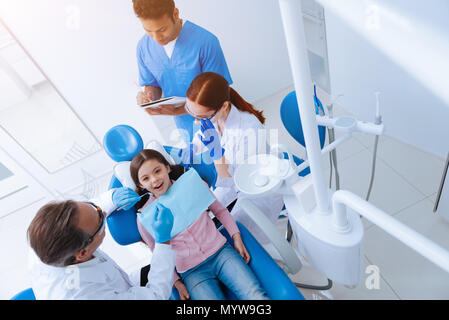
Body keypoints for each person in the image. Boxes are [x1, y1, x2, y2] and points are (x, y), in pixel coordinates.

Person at [114, 148, 268, 300]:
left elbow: (220, 211)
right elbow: (157, 253)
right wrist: (177, 282)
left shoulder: (193, 184)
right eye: (145, 178)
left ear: (167, 168)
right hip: (192, 272)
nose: (154, 180)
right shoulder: (145, 216)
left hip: (222, 253)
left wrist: (236, 237)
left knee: (256, 296)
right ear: (140, 185)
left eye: (157, 171)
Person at [184, 71, 285, 257]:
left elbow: (232, 182)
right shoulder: (213, 117)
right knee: (206, 222)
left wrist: (217, 156)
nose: (197, 121)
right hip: (231, 186)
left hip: (255, 194)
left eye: (202, 117)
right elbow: (201, 135)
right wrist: (188, 150)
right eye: (191, 113)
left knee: (230, 239)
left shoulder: (249, 130)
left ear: (223, 106)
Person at [27, 189, 176, 300]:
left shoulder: (44, 235)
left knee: (175, 266)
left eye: (96, 208)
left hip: (120, 286)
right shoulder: (85, 294)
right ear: (83, 253)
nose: (104, 214)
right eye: (100, 221)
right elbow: (155, 295)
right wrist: (163, 240)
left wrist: (111, 198)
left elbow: (85, 214)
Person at [133, 0, 233, 142]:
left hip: (218, 122)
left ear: (175, 13)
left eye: (162, 29)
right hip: (185, 128)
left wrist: (178, 110)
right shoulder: (143, 48)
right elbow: (152, 84)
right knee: (199, 161)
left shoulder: (206, 42)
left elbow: (219, 94)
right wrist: (149, 98)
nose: (156, 38)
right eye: (149, 31)